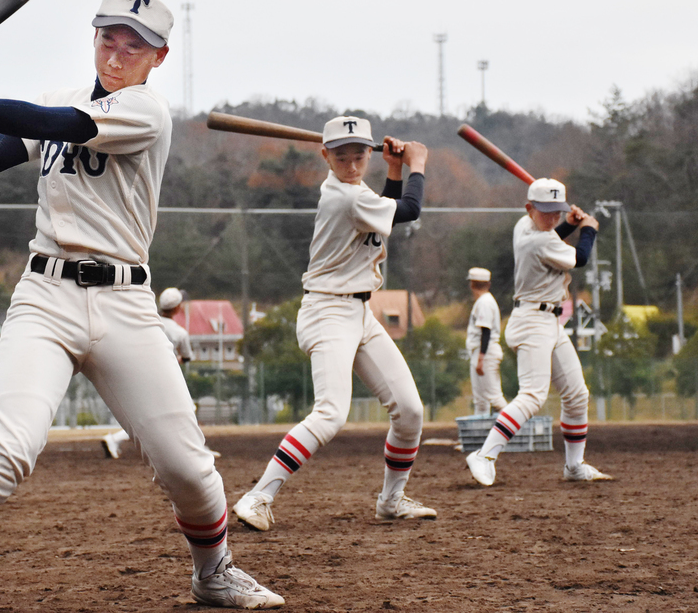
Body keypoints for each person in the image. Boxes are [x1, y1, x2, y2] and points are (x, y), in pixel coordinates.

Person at [0, 0, 283, 612]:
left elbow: (52, 125)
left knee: (191, 471)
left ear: (159, 57)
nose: (118, 55)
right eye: (108, 39)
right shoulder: (66, 99)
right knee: (8, 449)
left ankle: (213, 573)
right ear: (93, 39)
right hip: (45, 295)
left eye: (135, 46)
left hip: (124, 303)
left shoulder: (146, 110)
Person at [233, 116, 437, 533]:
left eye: (358, 154)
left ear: (367, 154)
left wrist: (395, 170)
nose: (351, 162)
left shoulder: (357, 190)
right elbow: (410, 211)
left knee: (411, 412)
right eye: (341, 156)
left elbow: (388, 214)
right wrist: (418, 164)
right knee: (330, 413)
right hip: (328, 312)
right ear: (325, 156)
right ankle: (258, 496)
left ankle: (391, 501)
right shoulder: (343, 196)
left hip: (359, 313)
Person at [466, 179, 613, 486]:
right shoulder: (540, 240)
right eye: (545, 211)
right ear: (529, 208)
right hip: (533, 320)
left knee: (576, 394)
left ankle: (574, 466)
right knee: (532, 396)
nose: (552, 218)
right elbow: (580, 258)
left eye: (557, 211)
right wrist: (588, 228)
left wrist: (568, 225)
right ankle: (484, 455)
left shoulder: (525, 227)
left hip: (549, 322)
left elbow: (553, 238)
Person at [102, 287, 193, 459]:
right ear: (176, 308)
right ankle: (115, 439)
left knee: (155, 417)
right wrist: (176, 358)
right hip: (165, 379)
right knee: (176, 412)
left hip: (140, 372)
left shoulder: (147, 321)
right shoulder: (180, 332)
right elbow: (187, 357)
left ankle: (182, 451)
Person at [465, 267, 507, 416]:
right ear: (488, 284)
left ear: (471, 284)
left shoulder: (484, 302)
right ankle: (481, 437)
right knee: (481, 400)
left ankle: (518, 430)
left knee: (494, 398)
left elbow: (486, 331)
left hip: (486, 352)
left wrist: (481, 358)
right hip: (483, 352)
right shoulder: (485, 301)